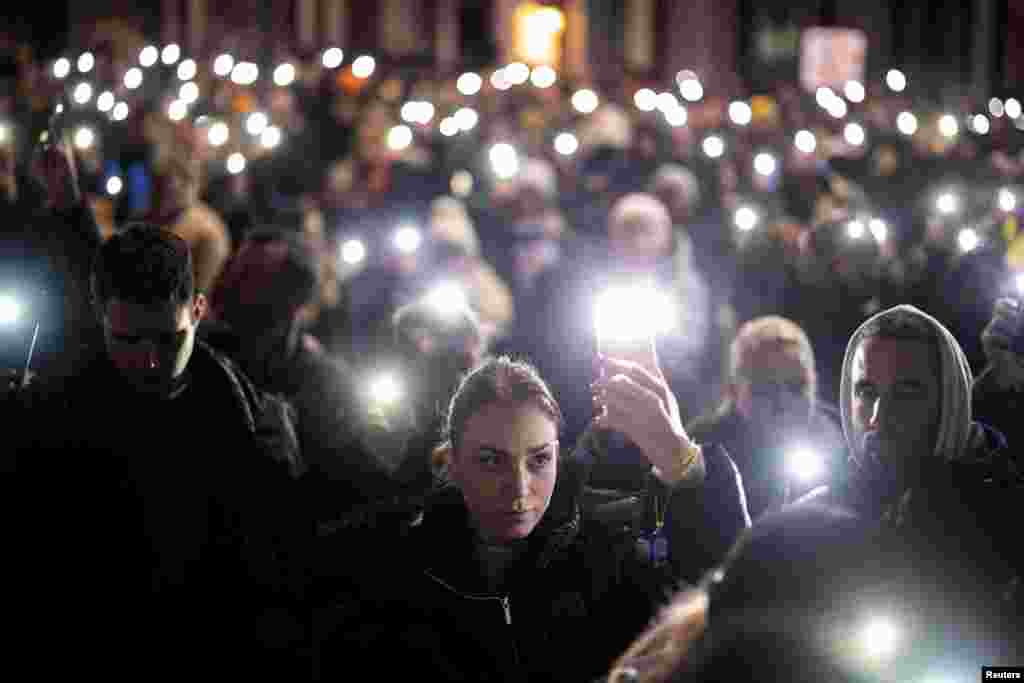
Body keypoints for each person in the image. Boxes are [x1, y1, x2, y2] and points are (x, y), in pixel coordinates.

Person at [312, 353, 743, 682]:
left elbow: (728, 596)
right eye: (490, 461)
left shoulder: (612, 544)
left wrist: (677, 454)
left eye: (538, 460)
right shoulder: (394, 565)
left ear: (559, 453)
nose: (518, 488)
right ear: (453, 464)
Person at [11, 224, 304, 677]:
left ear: (199, 311)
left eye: (167, 339)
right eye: (129, 340)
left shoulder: (252, 423)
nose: (149, 360)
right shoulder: (50, 419)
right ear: (100, 317)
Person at [206, 227, 396, 528]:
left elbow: (355, 498)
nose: (230, 283)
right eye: (235, 269)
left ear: (293, 302)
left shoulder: (326, 385)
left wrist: (297, 462)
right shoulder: (203, 357)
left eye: (251, 276)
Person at [833, 305, 1020, 605]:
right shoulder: (823, 512)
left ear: (950, 400)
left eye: (906, 392)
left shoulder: (1008, 515)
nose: (879, 417)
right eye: (867, 392)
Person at [687, 316, 846, 519]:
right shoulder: (702, 448)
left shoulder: (833, 443)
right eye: (765, 387)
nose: (783, 402)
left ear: (814, 384)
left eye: (796, 386)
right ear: (734, 390)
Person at [146, 151, 232, 293]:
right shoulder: (163, 219)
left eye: (180, 177)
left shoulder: (205, 227)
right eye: (163, 180)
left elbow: (204, 289)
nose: (171, 185)